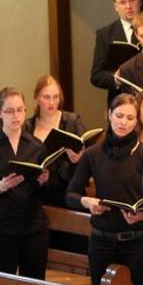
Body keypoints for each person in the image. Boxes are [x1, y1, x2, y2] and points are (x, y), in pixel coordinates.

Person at [65, 94, 143, 285]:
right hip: (101, 240)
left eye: (130, 118)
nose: (123, 122)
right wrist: (86, 202)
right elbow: (70, 195)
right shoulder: (93, 154)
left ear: (136, 121)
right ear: (109, 115)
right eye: (119, 115)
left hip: (137, 241)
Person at [0, 87, 52, 281]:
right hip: (2, 227)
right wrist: (0, 187)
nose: (16, 115)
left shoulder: (36, 145)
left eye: (20, 110)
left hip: (33, 226)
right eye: (9, 111)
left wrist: (44, 182)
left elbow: (46, 192)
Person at [23, 75, 86, 207]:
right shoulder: (27, 127)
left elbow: (89, 157)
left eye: (56, 97)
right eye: (46, 97)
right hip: (39, 192)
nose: (52, 102)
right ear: (36, 97)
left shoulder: (72, 121)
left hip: (69, 190)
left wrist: (78, 159)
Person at [91, 0, 142, 102]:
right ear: (115, 7)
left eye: (132, 0)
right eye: (123, 2)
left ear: (139, 2)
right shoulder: (104, 34)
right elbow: (96, 75)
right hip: (119, 101)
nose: (128, 6)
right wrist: (115, 78)